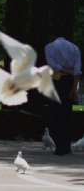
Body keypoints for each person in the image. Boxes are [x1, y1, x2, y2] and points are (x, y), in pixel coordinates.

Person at [44, 26, 81, 155]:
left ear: (52, 35)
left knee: (56, 114)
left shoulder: (49, 47)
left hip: (56, 81)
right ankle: (67, 145)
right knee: (68, 114)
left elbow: (52, 64)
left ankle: (59, 147)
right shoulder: (74, 48)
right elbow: (77, 70)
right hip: (71, 81)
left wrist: (65, 70)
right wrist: (74, 88)